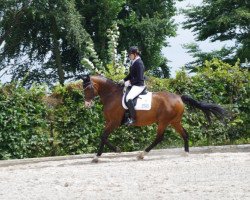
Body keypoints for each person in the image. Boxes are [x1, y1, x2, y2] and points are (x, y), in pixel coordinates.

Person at [120, 46, 146, 125]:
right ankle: (125, 116)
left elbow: (140, 78)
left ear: (135, 54)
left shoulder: (139, 63)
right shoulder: (134, 62)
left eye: (130, 54)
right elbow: (131, 75)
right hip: (134, 85)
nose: (129, 56)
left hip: (139, 85)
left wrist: (129, 82)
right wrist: (123, 80)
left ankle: (133, 119)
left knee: (129, 98)